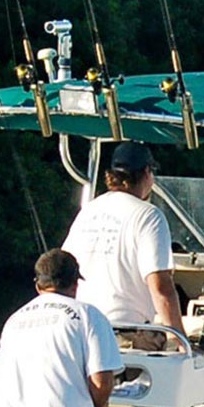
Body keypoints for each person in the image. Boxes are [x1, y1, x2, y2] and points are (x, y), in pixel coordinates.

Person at [0, 249, 135, 407]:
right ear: (75, 284)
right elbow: (102, 384)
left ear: (38, 286)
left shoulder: (13, 320)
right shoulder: (89, 315)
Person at [64, 141, 184, 343]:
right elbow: (161, 287)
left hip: (81, 329)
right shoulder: (148, 215)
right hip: (125, 332)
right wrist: (182, 341)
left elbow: (64, 270)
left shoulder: (88, 210)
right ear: (147, 172)